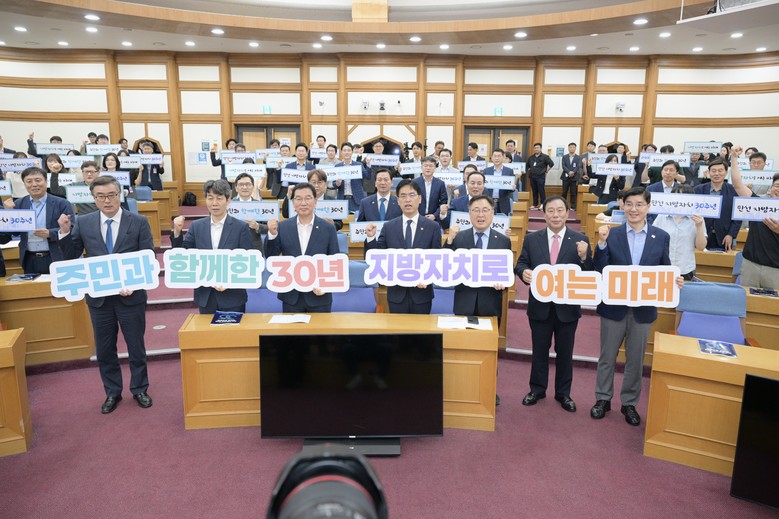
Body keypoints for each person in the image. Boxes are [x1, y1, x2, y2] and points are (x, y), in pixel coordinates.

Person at [56, 175, 154, 414]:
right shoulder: (84, 222)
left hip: (130, 296)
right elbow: (72, 256)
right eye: (100, 196)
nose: (107, 201)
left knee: (136, 346)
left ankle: (140, 388)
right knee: (105, 349)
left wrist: (134, 284)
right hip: (99, 299)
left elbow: (148, 258)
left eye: (111, 195)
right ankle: (112, 392)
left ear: (120, 195)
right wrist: (65, 232)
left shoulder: (138, 222)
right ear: (93, 198)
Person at [591, 187, 674, 427]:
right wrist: (601, 244)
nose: (634, 209)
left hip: (643, 310)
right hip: (613, 307)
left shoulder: (661, 236)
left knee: (635, 360)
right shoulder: (612, 234)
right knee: (607, 357)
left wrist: (674, 280)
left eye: (639, 204)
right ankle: (603, 399)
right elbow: (600, 269)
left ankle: (629, 403)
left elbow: (664, 270)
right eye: (629, 204)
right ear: (622, 205)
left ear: (648, 207)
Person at [515, 196, 592, 412]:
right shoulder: (532, 239)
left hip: (567, 309)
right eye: (551, 210)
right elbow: (521, 263)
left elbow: (590, 273)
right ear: (544, 214)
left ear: (567, 213)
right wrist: (524, 272)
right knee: (539, 351)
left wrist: (584, 257)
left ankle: (563, 393)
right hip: (539, 307)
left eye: (560, 210)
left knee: (565, 353)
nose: (555, 215)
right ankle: (537, 389)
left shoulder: (580, 240)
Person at [171, 179, 254, 314]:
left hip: (232, 296)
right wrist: (177, 232)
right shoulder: (196, 226)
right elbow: (182, 256)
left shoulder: (241, 227)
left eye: (219, 198)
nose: (214, 203)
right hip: (206, 296)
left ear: (228, 200)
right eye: (210, 198)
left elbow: (248, 261)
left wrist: (229, 282)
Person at [364, 179, 442, 314]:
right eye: (403, 196)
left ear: (420, 199)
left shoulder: (433, 227)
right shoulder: (389, 227)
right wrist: (371, 238)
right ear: (398, 201)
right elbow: (376, 258)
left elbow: (437, 258)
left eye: (412, 195)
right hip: (396, 294)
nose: (407, 200)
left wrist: (427, 278)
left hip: (422, 294)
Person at [265, 182, 340, 312]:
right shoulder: (283, 227)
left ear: (315, 201)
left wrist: (326, 287)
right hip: (291, 296)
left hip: (319, 295)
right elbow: (271, 257)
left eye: (308, 198)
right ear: (293, 203)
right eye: (298, 199)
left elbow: (334, 260)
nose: (303, 203)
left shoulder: (328, 228)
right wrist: (272, 235)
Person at [446, 194, 512, 321]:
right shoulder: (459, 238)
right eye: (476, 210)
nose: (480, 215)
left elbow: (509, 271)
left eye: (485, 210)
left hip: (490, 304)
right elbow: (445, 265)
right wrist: (449, 240)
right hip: (464, 303)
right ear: (469, 213)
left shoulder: (503, 241)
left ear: (492, 213)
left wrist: (503, 283)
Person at [2, 167, 74, 274]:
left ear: (46, 181)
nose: (34, 184)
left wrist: (50, 233)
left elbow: (72, 228)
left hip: (55, 256)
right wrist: (8, 213)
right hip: (29, 259)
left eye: (38, 180)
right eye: (29, 181)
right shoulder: (18, 204)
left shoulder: (62, 203)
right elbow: (14, 232)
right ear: (24, 184)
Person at [726, 145, 779, 289]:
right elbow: (737, 185)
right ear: (771, 188)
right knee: (746, 300)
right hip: (750, 265)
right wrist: (734, 157)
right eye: (776, 185)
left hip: (776, 270)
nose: (778, 189)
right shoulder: (758, 203)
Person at [651, 185, 707, 280]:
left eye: (683, 197)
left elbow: (701, 247)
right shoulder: (662, 216)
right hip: (663, 267)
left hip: (685, 269)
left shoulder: (697, 219)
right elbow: (652, 240)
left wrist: (699, 226)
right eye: (676, 196)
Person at [693, 158, 740, 251]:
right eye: (713, 171)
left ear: (726, 172)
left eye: (720, 171)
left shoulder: (734, 191)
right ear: (708, 172)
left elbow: (737, 216)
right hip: (702, 235)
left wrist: (731, 234)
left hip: (724, 236)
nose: (717, 174)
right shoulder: (698, 190)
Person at [233, 172, 268, 250]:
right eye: (241, 184)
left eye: (248, 184)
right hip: (234, 247)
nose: (245, 187)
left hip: (255, 247)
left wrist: (257, 226)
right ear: (236, 188)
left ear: (253, 187)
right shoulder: (230, 206)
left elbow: (268, 227)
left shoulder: (261, 206)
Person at [335, 141, 371, 213]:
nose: (346, 152)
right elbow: (334, 183)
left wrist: (368, 165)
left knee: (357, 219)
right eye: (344, 150)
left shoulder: (358, 165)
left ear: (352, 152)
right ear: (341, 152)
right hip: (342, 199)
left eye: (349, 150)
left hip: (356, 199)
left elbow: (367, 176)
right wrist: (337, 183)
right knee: (342, 219)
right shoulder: (337, 166)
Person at [481, 148, 515, 215]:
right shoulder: (486, 171)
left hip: (503, 203)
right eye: (495, 156)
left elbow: (510, 188)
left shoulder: (509, 171)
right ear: (491, 158)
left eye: (499, 156)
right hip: (489, 202)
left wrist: (512, 188)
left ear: (503, 158)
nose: (497, 158)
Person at [526, 142, 554, 209]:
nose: (536, 149)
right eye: (535, 148)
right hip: (532, 177)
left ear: (540, 149)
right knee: (534, 190)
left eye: (537, 148)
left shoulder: (545, 157)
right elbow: (527, 166)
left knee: (541, 190)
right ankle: (535, 204)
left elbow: (551, 164)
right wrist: (530, 170)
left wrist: (546, 171)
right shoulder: (531, 158)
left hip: (541, 177)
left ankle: (543, 204)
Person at [561, 142, 581, 210]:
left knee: (573, 193)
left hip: (574, 177)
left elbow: (578, 166)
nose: (572, 148)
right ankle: (563, 206)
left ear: (575, 148)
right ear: (568, 148)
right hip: (565, 177)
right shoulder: (564, 157)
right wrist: (569, 172)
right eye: (570, 147)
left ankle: (573, 207)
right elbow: (563, 166)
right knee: (564, 192)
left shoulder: (578, 157)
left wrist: (573, 172)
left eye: (573, 147)